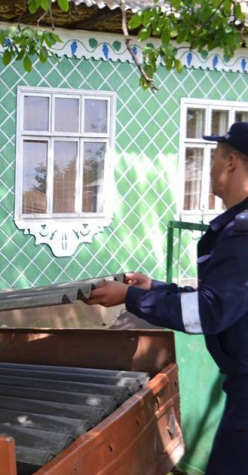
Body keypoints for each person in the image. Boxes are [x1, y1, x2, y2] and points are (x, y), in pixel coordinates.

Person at [84, 121, 248, 475]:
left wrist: (130, 297)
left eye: (215, 158)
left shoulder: (243, 232)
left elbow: (207, 312)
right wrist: (153, 288)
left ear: (232, 162)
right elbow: (221, 300)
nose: (211, 167)